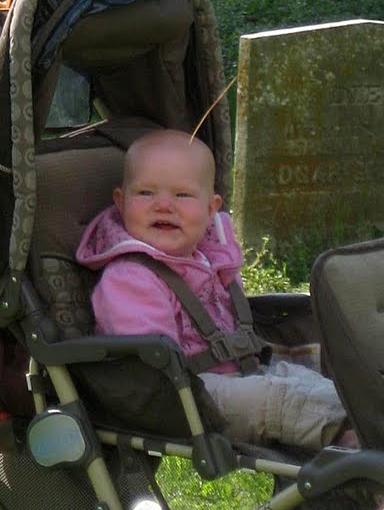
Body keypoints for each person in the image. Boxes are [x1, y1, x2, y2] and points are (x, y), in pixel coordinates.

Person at [75, 129, 355, 450]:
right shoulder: (130, 277)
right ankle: (352, 441)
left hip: (240, 376)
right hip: (187, 398)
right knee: (279, 398)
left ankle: (368, 419)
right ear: (120, 202)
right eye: (146, 193)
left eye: (182, 195)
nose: (163, 205)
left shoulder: (209, 261)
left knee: (305, 378)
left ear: (211, 209)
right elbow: (150, 368)